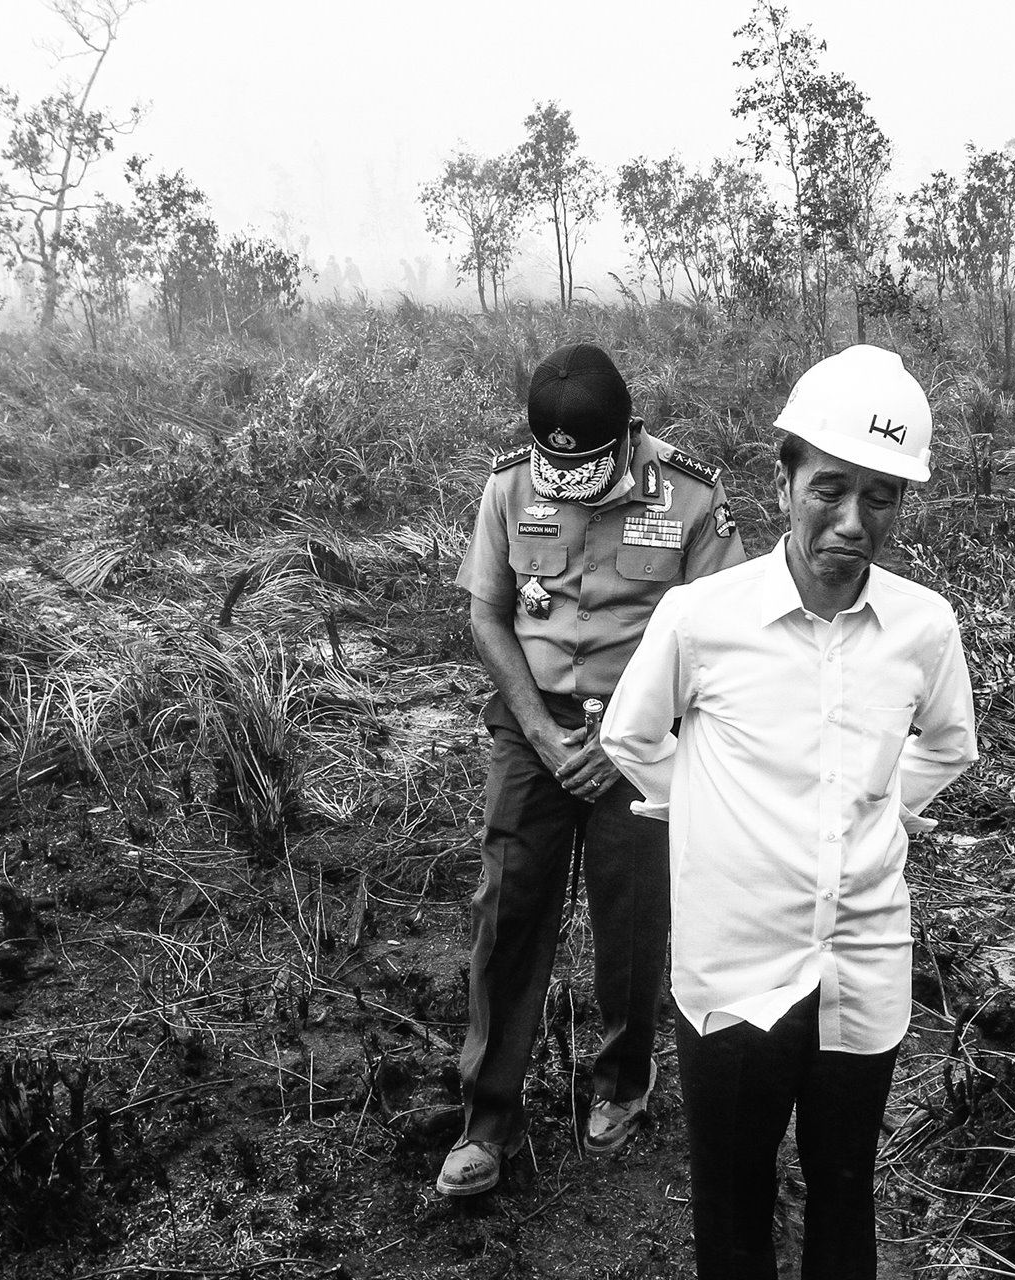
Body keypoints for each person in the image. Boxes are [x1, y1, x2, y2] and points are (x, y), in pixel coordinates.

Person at [601, 345, 978, 1278]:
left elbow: (949, 743)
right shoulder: (701, 618)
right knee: (733, 1199)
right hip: (736, 965)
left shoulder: (923, 628)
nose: (852, 523)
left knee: (845, 1186)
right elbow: (633, 738)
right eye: (830, 489)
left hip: (864, 958)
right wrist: (708, 816)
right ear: (785, 480)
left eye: (881, 498)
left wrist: (878, 807)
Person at [438, 343, 746, 1197]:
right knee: (508, 914)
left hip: (642, 740)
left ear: (625, 436)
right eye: (553, 470)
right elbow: (488, 613)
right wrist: (540, 733)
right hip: (532, 729)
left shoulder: (691, 496)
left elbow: (718, 640)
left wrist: (626, 746)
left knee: (634, 919)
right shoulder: (509, 486)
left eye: (588, 469)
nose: (565, 487)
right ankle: (487, 1118)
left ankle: (622, 1085)